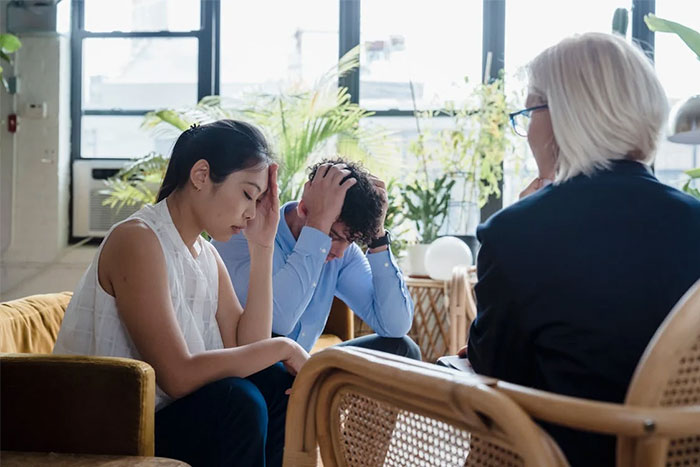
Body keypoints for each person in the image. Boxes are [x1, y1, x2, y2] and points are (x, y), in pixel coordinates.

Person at [459, 33, 700, 466]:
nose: (527, 128)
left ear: (563, 117)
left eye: (531, 110)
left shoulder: (515, 233)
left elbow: (497, 371)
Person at [53, 120, 310, 467]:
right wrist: (286, 346)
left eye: (259, 200)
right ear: (201, 175)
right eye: (248, 194)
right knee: (238, 401)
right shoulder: (138, 239)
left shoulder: (205, 254)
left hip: (171, 417)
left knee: (276, 385)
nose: (251, 213)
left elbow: (248, 347)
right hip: (115, 427)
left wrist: (262, 246)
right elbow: (177, 376)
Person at [214, 157, 420, 360]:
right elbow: (279, 322)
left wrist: (377, 236)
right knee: (274, 352)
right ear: (303, 209)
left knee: (402, 349)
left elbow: (395, 326)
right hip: (251, 367)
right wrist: (319, 226)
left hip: (301, 368)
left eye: (351, 241)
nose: (340, 252)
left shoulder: (342, 253)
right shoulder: (247, 231)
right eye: (333, 236)